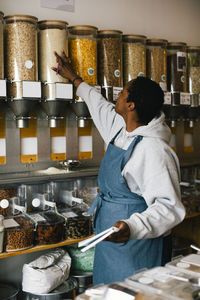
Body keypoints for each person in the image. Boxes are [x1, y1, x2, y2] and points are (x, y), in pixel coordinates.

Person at [52, 51, 186, 285]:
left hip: (137, 243)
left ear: (130, 105)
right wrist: (74, 78)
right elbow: (97, 103)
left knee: (136, 291)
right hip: (112, 238)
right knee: (110, 289)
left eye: (122, 92)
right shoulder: (120, 128)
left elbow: (169, 207)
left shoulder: (154, 150)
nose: (118, 95)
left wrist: (132, 226)